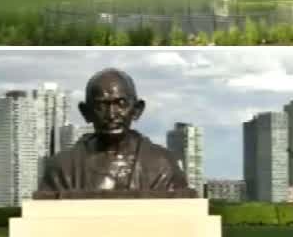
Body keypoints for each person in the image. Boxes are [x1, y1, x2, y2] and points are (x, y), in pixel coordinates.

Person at [39, 68, 189, 193]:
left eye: (121, 104)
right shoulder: (62, 168)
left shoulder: (163, 165)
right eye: (101, 106)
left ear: (137, 110)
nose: (111, 115)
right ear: (86, 112)